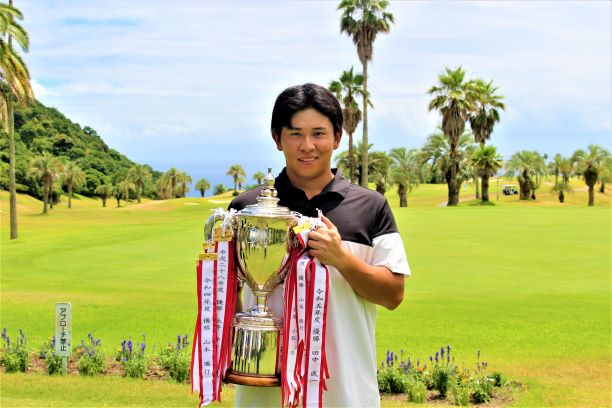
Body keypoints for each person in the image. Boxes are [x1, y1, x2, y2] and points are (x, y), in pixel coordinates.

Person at [229, 83, 410, 407]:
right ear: (277, 138)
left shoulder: (371, 207)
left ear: (337, 137)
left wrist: (342, 259)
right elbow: (228, 295)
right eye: (295, 134)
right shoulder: (247, 209)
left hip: (347, 393)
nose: (307, 146)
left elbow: (393, 295)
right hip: (266, 394)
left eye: (318, 134)